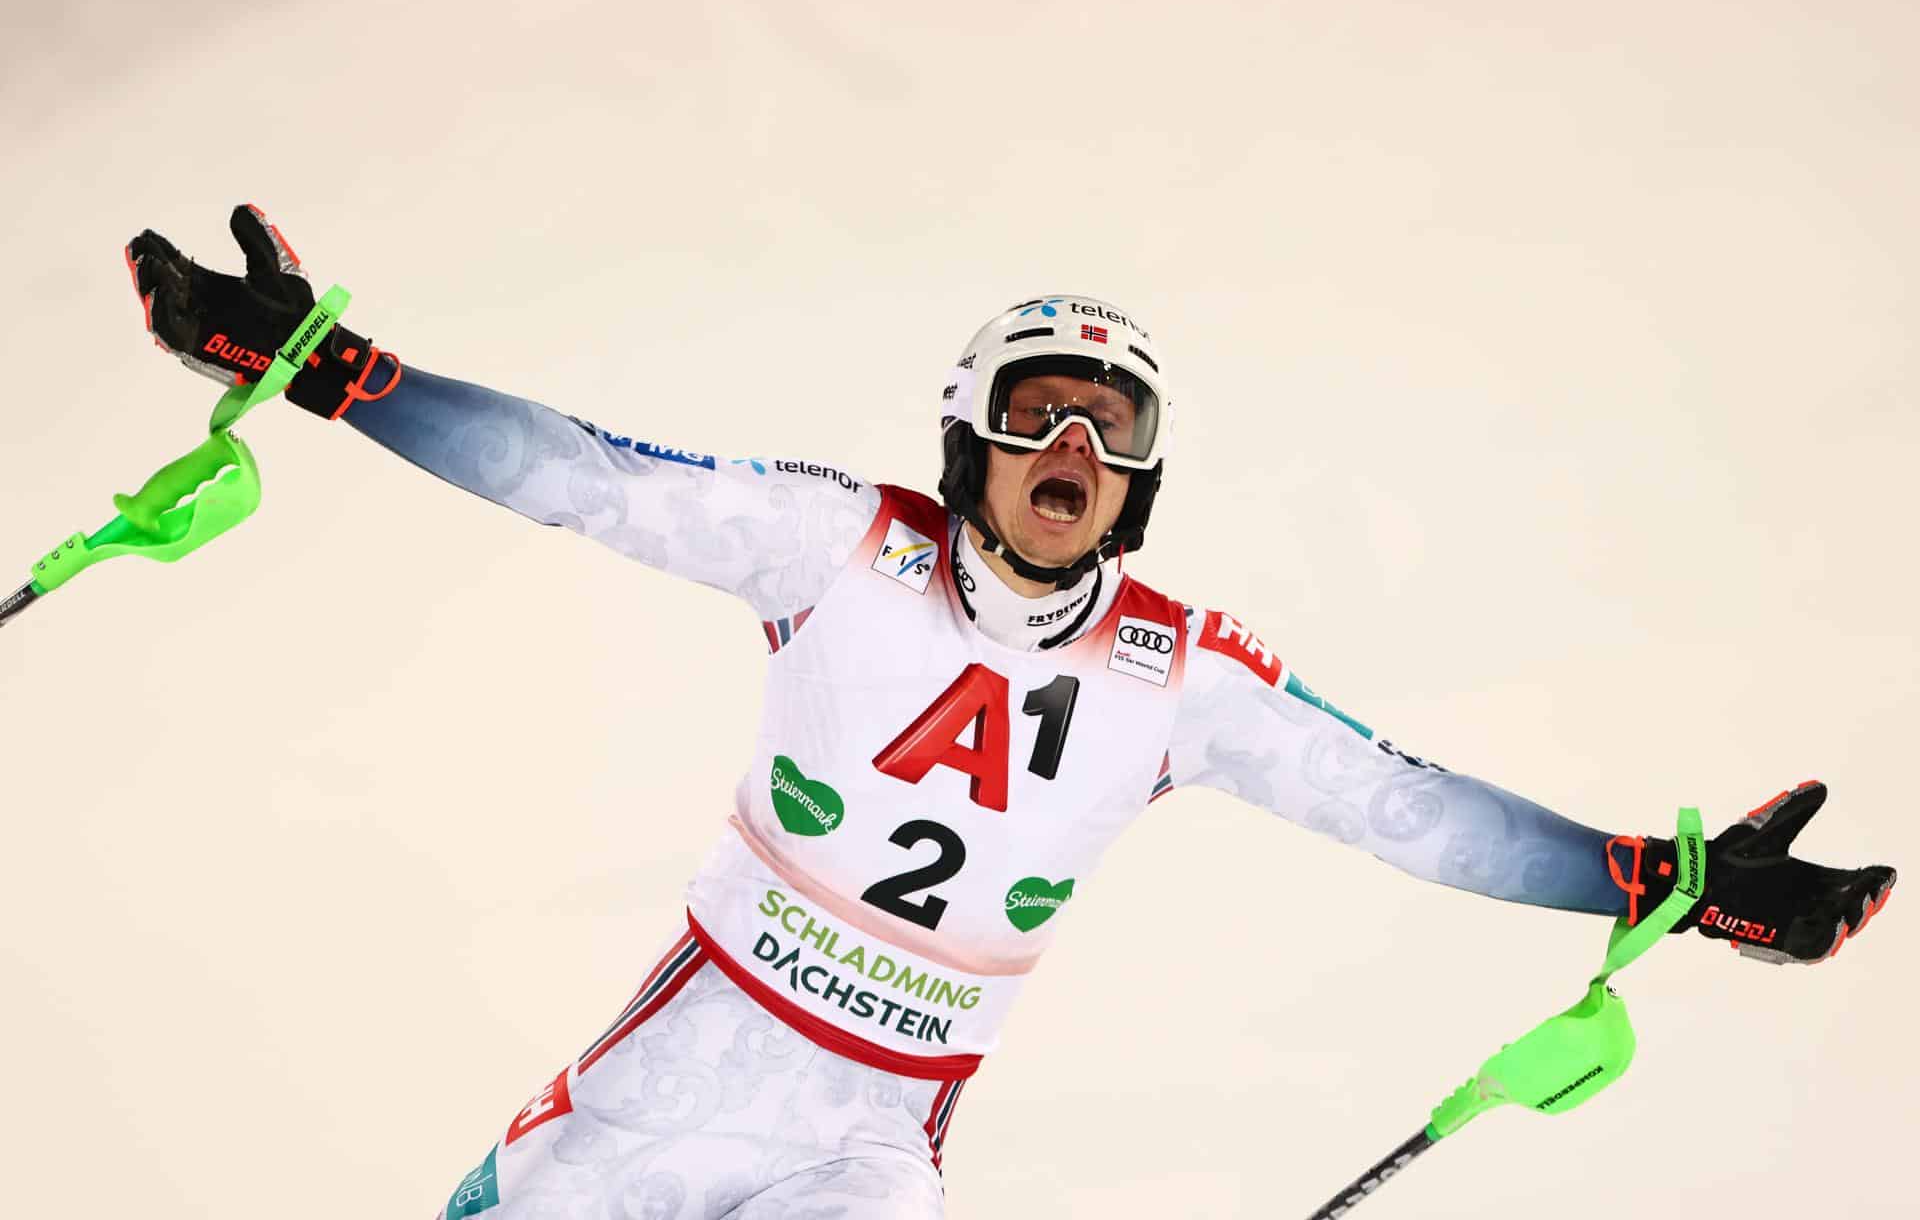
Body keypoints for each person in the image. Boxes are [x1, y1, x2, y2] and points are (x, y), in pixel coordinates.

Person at [126, 207, 1895, 1219]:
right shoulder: (838, 548)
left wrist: (1663, 879)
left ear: (1146, 482)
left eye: (1114, 433)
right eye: (1041, 415)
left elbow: (1411, 811)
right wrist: (342, 377)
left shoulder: (1179, 674)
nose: (1076, 454)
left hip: (872, 1144)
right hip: (668, 1086)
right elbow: (581, 480)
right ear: (967, 437)